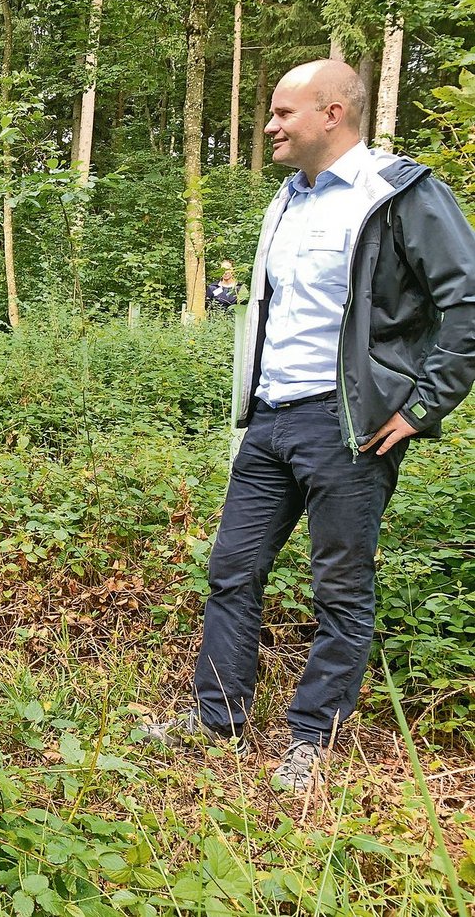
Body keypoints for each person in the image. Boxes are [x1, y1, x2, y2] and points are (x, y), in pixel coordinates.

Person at [144, 59, 475, 791]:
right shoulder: (286, 200)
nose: (270, 126)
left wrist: (420, 407)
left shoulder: (400, 194)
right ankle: (217, 720)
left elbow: (465, 303)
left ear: (333, 113)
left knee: (340, 588)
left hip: (346, 424)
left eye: (283, 113)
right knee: (232, 570)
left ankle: (311, 740)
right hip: (270, 419)